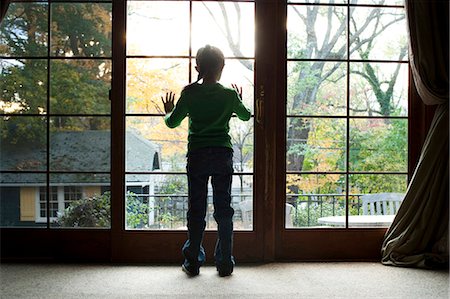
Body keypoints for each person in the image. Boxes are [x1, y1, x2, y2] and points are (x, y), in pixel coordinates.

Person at [162, 45, 251, 277]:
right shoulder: (229, 95)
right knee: (224, 210)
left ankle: (192, 262)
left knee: (196, 209)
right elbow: (245, 115)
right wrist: (238, 100)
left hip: (198, 154)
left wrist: (168, 111)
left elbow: (172, 123)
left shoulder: (189, 93)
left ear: (197, 67)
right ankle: (224, 263)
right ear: (222, 67)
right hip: (222, 154)